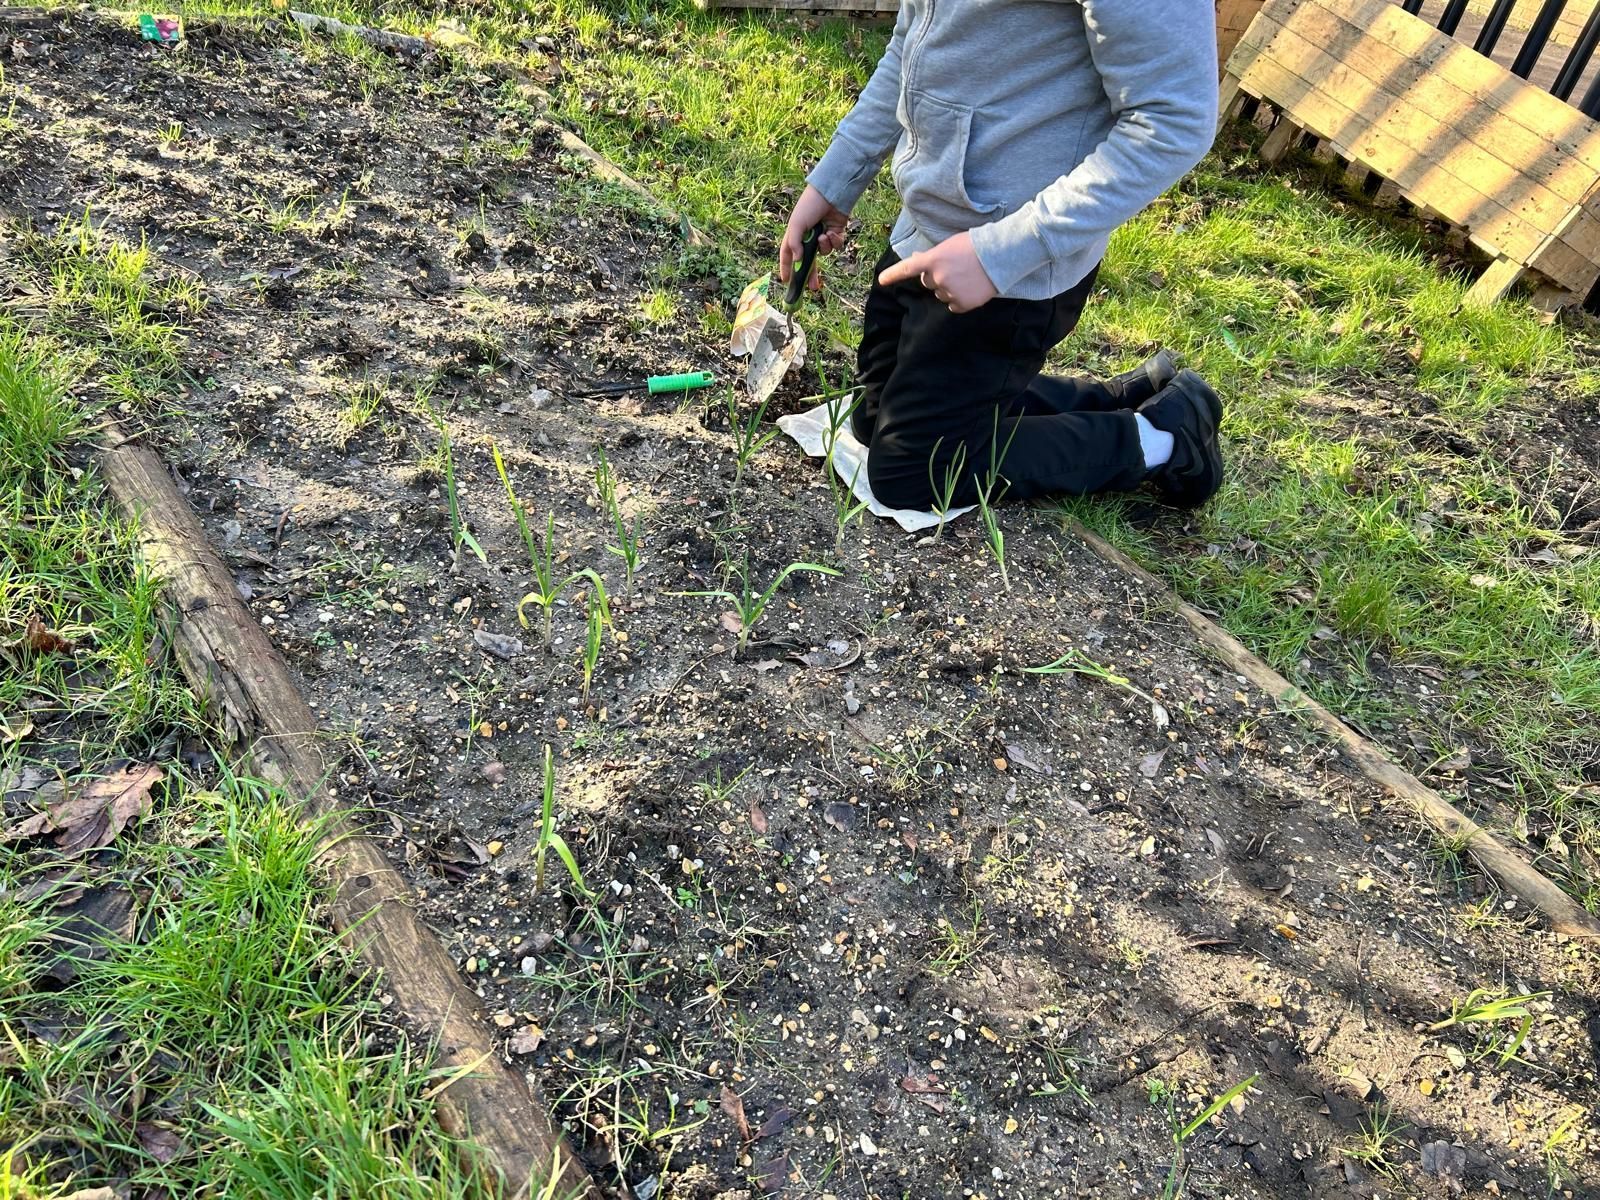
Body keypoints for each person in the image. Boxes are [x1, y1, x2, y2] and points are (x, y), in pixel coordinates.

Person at [779, 0, 1224, 512]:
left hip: (1012, 275)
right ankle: (1113, 399)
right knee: (869, 420)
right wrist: (837, 179)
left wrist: (1000, 252)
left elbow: (1175, 120)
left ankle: (1162, 436)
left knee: (911, 473)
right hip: (924, 232)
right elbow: (912, 38)